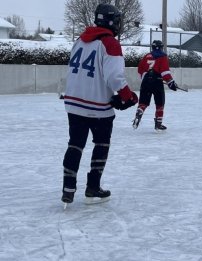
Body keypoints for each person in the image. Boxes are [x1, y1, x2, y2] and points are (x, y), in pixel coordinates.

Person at [61, 3, 138, 206]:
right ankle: (92, 188)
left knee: (75, 144)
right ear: (112, 21)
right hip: (97, 105)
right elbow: (115, 77)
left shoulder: (79, 40)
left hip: (73, 102)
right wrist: (128, 96)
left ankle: (68, 189)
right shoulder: (110, 43)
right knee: (101, 145)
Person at [132, 40, 178, 131]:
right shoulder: (163, 56)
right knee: (160, 103)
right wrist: (171, 83)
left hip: (146, 81)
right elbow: (165, 71)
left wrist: (146, 78)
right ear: (161, 47)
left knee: (143, 102)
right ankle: (158, 124)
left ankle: (139, 112)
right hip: (157, 81)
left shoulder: (146, 56)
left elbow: (140, 69)